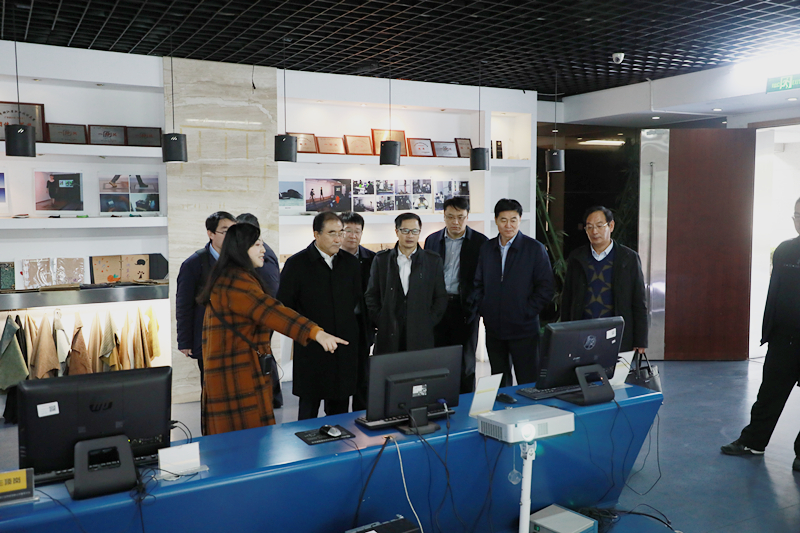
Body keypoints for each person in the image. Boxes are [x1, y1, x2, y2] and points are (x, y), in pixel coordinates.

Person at [197, 223, 347, 435]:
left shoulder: (228, 276)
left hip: (231, 368)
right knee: (245, 439)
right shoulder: (236, 282)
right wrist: (315, 332)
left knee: (235, 439)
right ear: (241, 249)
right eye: (257, 245)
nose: (263, 250)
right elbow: (273, 311)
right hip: (236, 373)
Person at [721, 197, 800, 472]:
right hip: (783, 339)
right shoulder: (785, 251)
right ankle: (753, 442)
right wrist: (769, 332)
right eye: (798, 215)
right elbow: (774, 293)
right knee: (768, 394)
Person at [277, 212, 361, 420]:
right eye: (332, 233)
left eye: (341, 233)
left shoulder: (350, 263)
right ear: (316, 234)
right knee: (308, 413)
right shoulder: (296, 264)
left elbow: (357, 301)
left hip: (342, 348)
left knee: (340, 414)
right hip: (311, 348)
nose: (338, 239)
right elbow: (284, 307)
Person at [473, 199, 554, 387]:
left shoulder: (534, 249)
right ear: (496, 220)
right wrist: (485, 309)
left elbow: (546, 287)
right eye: (503, 220)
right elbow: (477, 283)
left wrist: (526, 311)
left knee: (528, 381)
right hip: (494, 328)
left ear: (520, 220)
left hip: (524, 329)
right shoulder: (487, 248)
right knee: (499, 381)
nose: (508, 225)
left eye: (513, 220)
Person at [560, 206, 648, 354]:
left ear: (611, 226)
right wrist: (564, 334)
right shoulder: (577, 257)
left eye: (599, 226)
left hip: (617, 334)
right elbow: (567, 298)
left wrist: (640, 339)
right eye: (589, 227)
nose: (594, 231)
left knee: (616, 369)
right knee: (582, 368)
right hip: (582, 333)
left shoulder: (628, 258)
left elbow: (639, 300)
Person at [424, 197, 488, 393]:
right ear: (443, 216)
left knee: (465, 363)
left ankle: (465, 403)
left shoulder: (480, 242)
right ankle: (439, 401)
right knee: (437, 359)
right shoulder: (432, 240)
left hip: (465, 307)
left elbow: (484, 278)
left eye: (460, 217)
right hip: (438, 307)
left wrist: (477, 305)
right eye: (450, 217)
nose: (455, 222)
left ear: (467, 217)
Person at [365, 212, 448, 355]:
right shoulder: (382, 260)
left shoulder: (433, 261)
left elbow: (440, 297)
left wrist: (428, 321)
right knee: (390, 367)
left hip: (420, 332)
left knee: (417, 368)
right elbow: (371, 295)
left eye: (415, 231)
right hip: (389, 332)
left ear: (419, 232)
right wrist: (381, 319)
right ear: (397, 232)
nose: (410, 235)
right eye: (405, 231)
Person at [176, 211, 237, 387]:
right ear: (211, 234)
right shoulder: (194, 263)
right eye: (225, 231)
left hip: (234, 335)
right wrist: (185, 341)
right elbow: (184, 304)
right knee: (212, 387)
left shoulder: (238, 260)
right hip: (208, 336)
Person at [235, 213, 283, 407]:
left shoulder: (262, 254)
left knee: (262, 354)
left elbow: (271, 288)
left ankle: (271, 397)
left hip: (263, 315)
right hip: (260, 314)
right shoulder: (250, 251)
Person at [340, 211, 376, 411]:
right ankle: (337, 415)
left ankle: (361, 415)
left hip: (363, 325)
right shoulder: (333, 259)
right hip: (338, 326)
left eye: (357, 231)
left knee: (363, 374)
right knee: (340, 375)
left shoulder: (372, 259)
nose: (353, 236)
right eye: (348, 230)